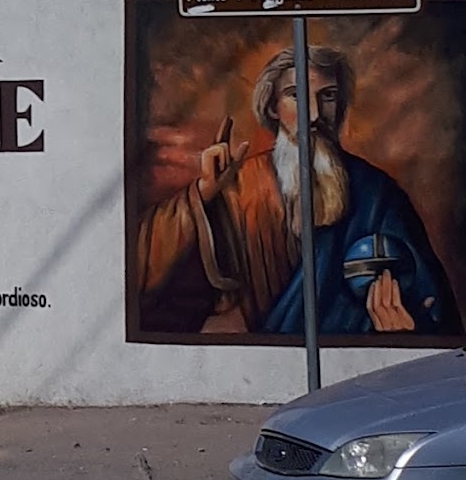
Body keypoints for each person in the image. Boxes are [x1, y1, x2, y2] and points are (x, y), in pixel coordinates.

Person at [136, 45, 460, 336]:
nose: (315, 114)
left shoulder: (376, 193)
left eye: (328, 96)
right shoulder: (240, 184)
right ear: (273, 107)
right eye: (296, 95)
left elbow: (433, 309)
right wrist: (203, 193)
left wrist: (406, 329)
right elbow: (143, 271)